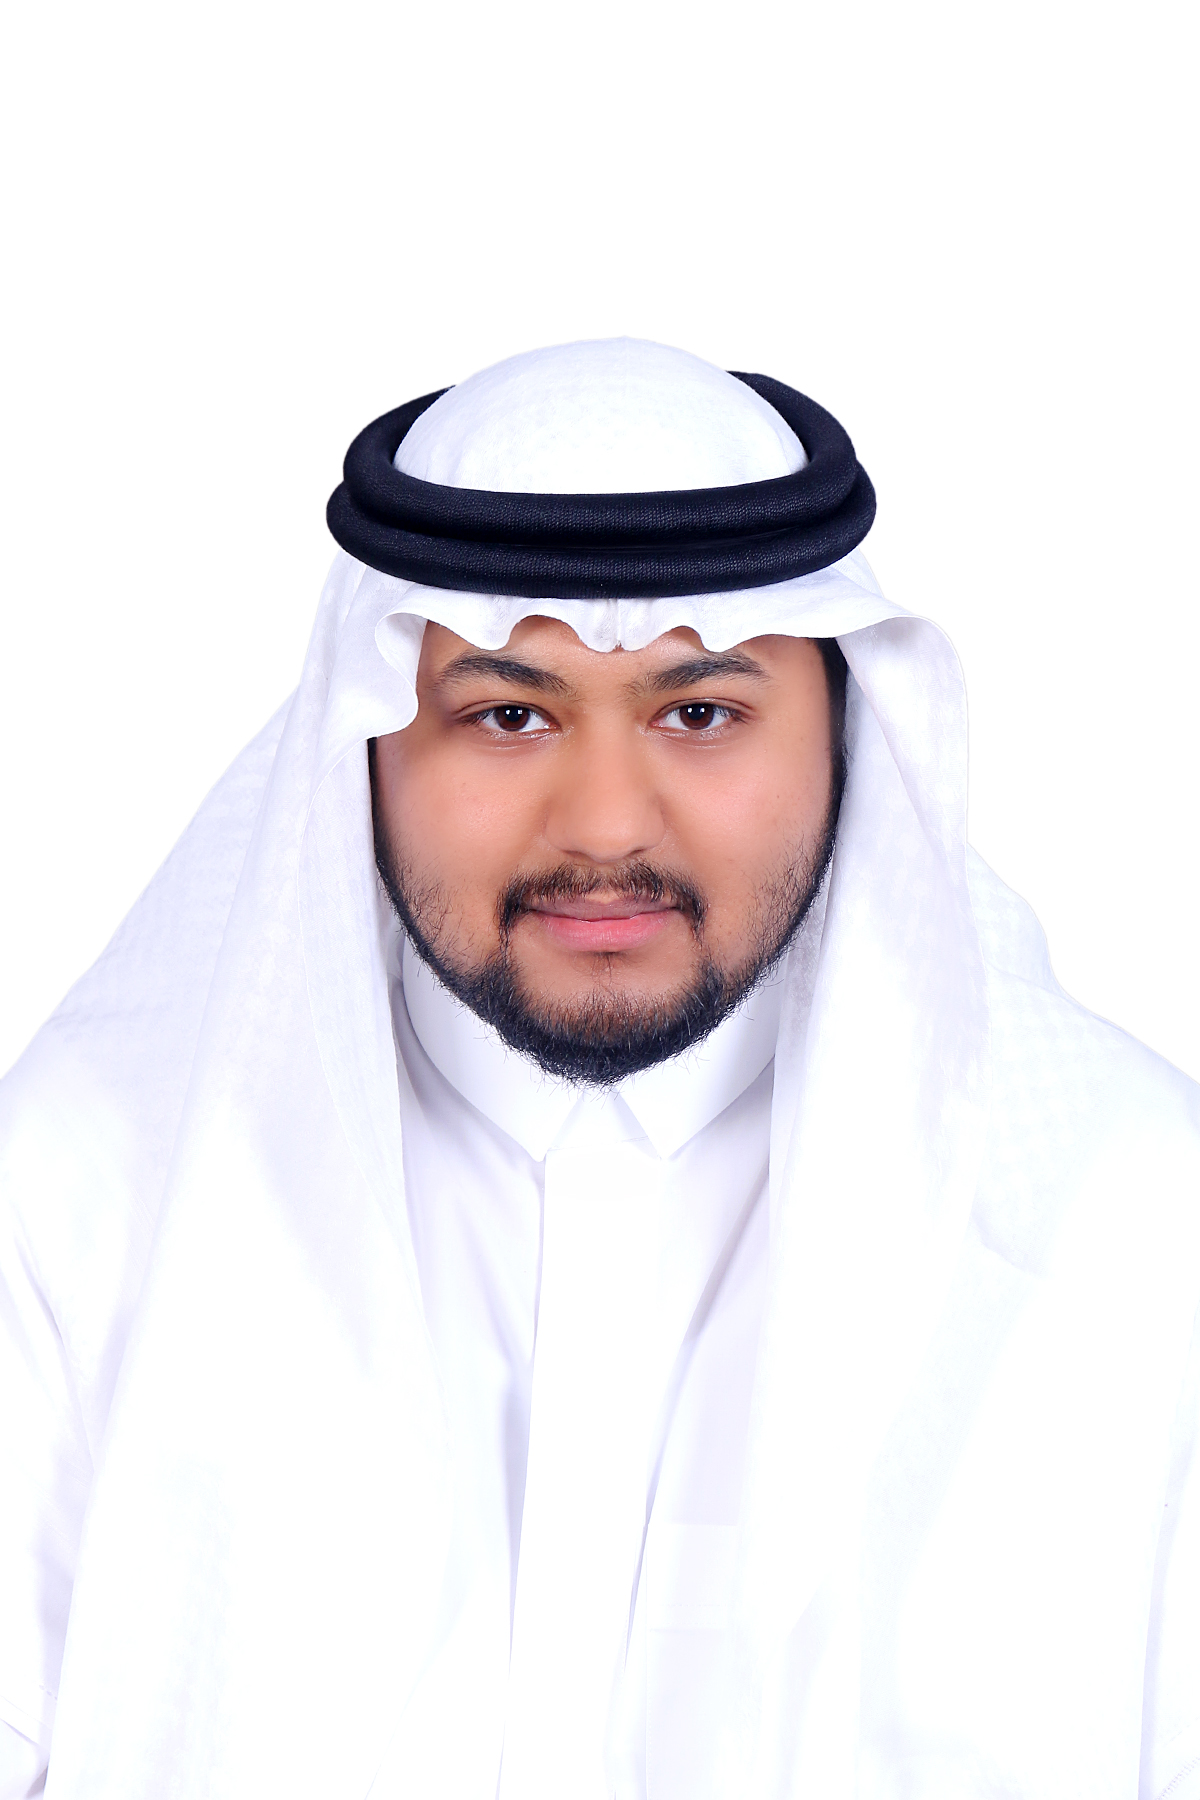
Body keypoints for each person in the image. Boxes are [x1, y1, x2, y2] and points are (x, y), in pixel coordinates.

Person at [1, 338, 1196, 1800]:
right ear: (367, 742)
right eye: (510, 714)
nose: (608, 826)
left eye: (702, 713)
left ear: (845, 734)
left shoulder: (1135, 1237)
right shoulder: (76, 1207)